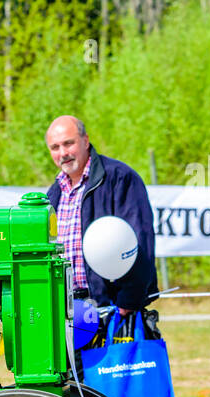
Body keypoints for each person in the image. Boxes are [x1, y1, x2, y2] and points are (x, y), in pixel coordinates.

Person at [44, 115, 158, 321]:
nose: (63, 153)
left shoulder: (120, 178)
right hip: (68, 313)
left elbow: (141, 240)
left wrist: (128, 302)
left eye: (68, 143)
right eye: (55, 147)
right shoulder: (52, 195)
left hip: (112, 311)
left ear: (85, 140)